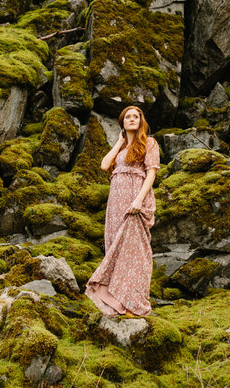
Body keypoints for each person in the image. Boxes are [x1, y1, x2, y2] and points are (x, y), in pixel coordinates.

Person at [85, 105, 160, 317]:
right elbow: (103, 165)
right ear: (122, 122)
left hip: (135, 197)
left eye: (136, 116)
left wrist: (138, 200)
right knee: (114, 245)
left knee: (136, 251)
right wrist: (119, 141)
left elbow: (151, 175)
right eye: (128, 116)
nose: (132, 119)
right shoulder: (121, 146)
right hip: (116, 201)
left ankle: (134, 302)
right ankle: (117, 302)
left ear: (141, 121)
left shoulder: (150, 143)